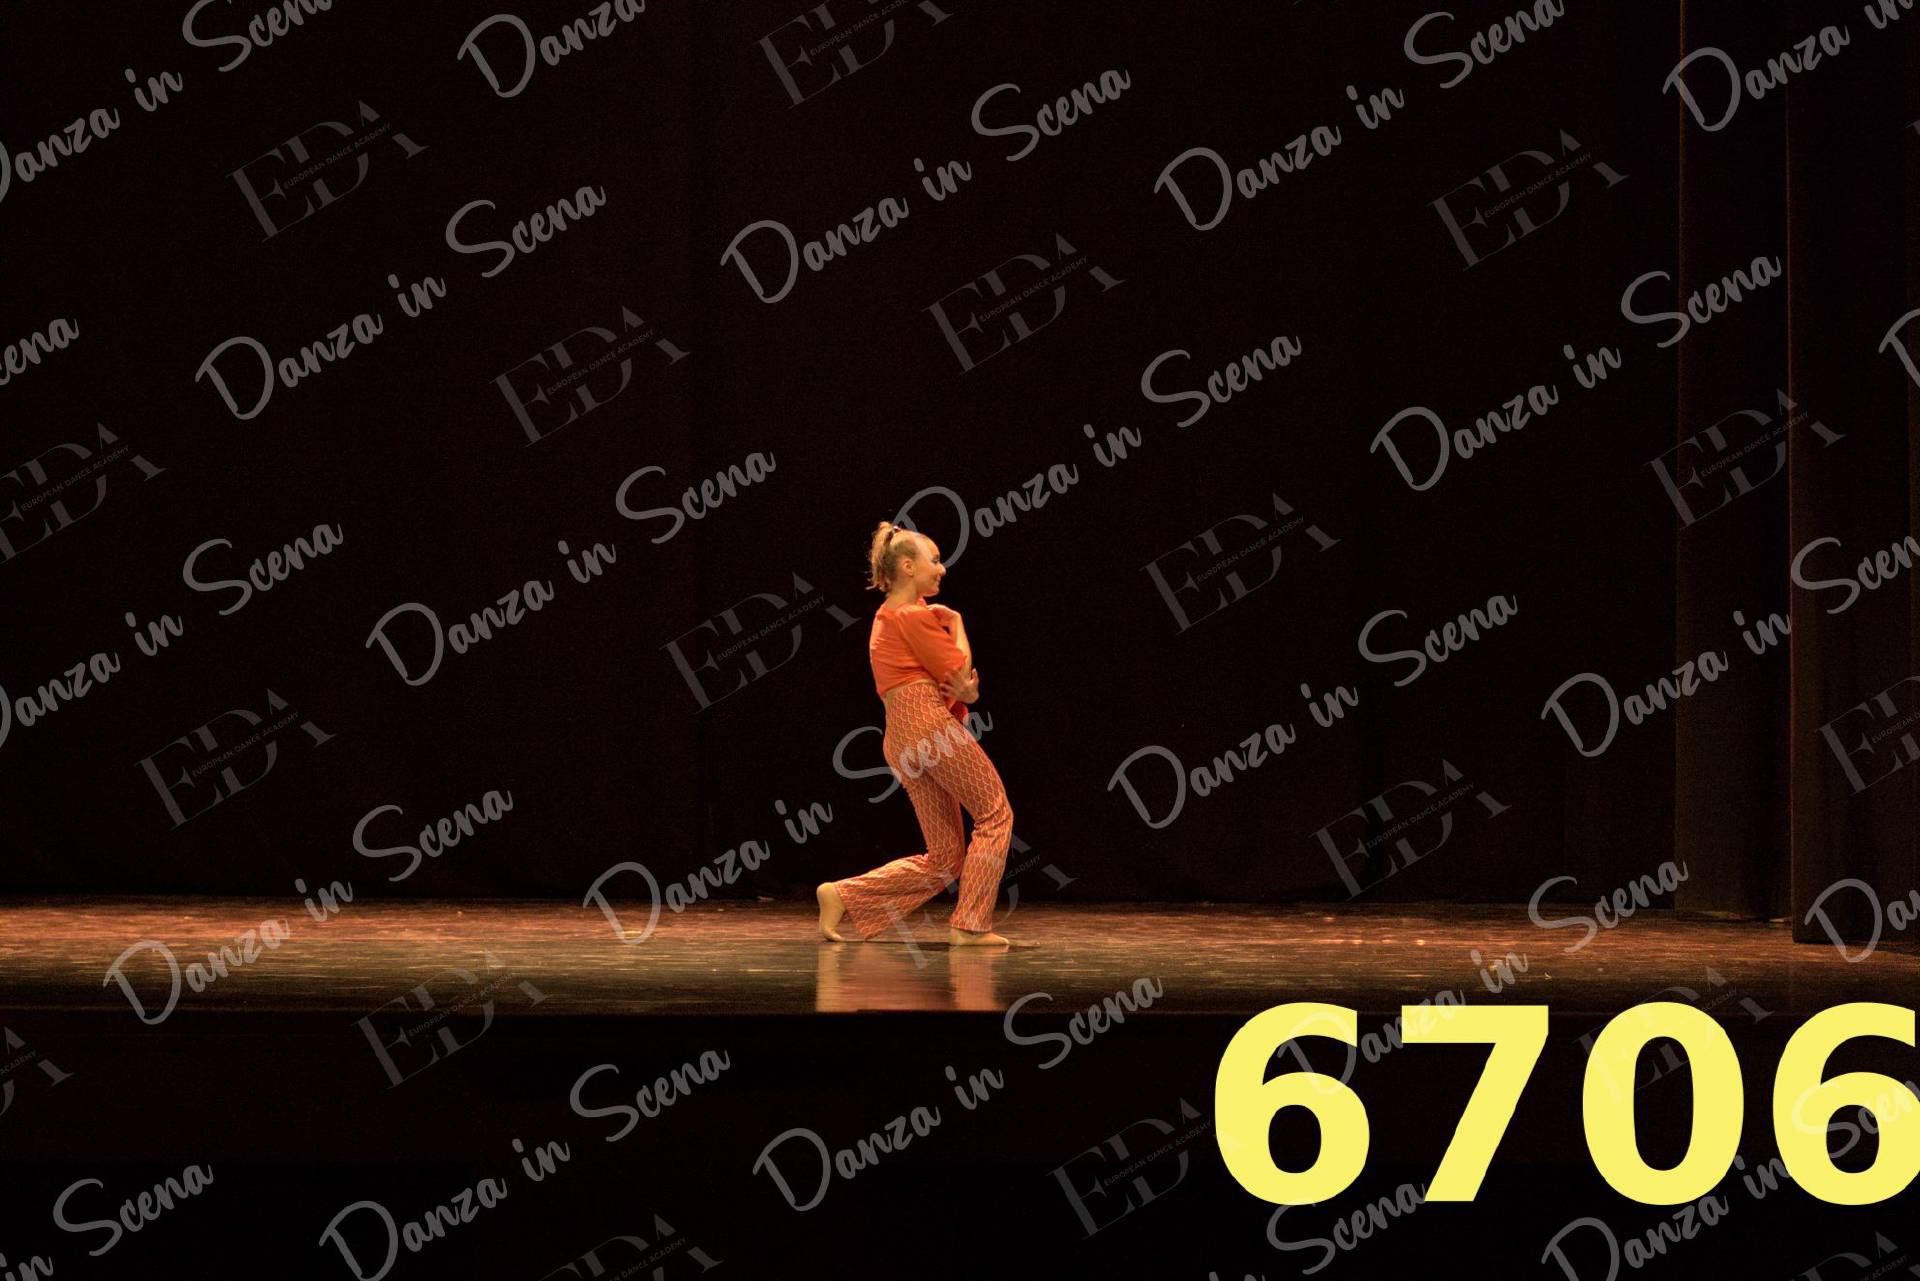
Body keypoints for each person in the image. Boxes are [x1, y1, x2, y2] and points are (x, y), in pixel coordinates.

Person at [815, 522, 1014, 946]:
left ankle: (844, 895)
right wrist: (956, 624)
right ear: (908, 566)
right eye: (934, 560)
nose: (942, 568)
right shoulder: (912, 615)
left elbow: (950, 684)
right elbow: (958, 671)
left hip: (900, 734)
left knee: (945, 858)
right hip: (928, 726)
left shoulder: (885, 616)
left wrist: (965, 692)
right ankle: (970, 925)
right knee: (995, 814)